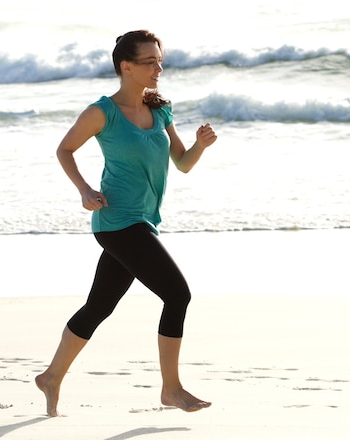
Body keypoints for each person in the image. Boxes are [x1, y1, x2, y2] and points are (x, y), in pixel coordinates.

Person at [35, 30, 217, 416]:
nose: (158, 68)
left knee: (98, 306)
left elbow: (182, 163)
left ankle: (51, 376)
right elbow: (64, 149)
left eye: (160, 60)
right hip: (117, 220)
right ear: (126, 67)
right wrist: (84, 190)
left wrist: (200, 145)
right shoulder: (103, 112)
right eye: (150, 61)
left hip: (143, 221)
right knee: (177, 294)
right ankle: (172, 389)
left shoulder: (161, 109)